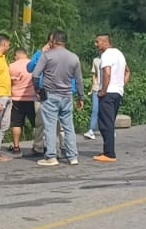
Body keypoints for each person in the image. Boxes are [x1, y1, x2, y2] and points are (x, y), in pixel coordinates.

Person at [36, 30, 84, 167]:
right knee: (69, 127)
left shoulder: (47, 56)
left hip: (50, 95)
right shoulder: (74, 57)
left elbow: (35, 74)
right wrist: (81, 97)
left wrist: (37, 91)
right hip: (67, 96)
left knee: (50, 126)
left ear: (54, 41)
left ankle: (51, 156)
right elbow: (79, 79)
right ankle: (73, 156)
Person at [92, 33, 129, 163]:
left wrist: (103, 90)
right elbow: (127, 71)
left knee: (105, 123)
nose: (96, 45)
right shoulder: (119, 54)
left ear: (105, 42)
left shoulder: (106, 55)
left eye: (97, 42)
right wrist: (121, 85)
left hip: (108, 93)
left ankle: (109, 153)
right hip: (117, 92)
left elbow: (107, 73)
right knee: (109, 122)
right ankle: (107, 150)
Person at [9, 46, 37, 154]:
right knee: (36, 124)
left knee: (16, 123)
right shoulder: (34, 65)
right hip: (32, 98)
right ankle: (38, 145)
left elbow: (10, 82)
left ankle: (16, 147)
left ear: (17, 55)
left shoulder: (12, 66)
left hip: (17, 99)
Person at [84, 52, 102, 142]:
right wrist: (93, 87)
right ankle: (91, 130)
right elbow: (94, 74)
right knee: (95, 109)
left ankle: (109, 129)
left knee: (106, 110)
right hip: (97, 87)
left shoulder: (111, 58)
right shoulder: (96, 60)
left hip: (108, 88)